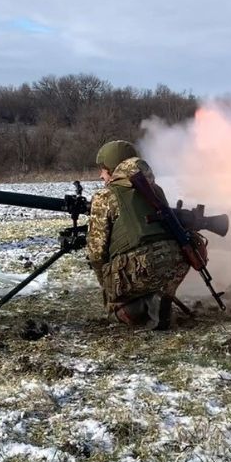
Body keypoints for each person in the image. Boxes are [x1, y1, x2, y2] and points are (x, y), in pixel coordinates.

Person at [86, 140, 190, 330]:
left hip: (140, 268)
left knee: (115, 309)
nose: (101, 175)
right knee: (146, 278)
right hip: (175, 265)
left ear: (112, 167)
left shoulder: (104, 197)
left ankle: (146, 306)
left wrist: (109, 289)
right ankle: (158, 298)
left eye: (103, 169)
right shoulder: (155, 190)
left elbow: (96, 253)